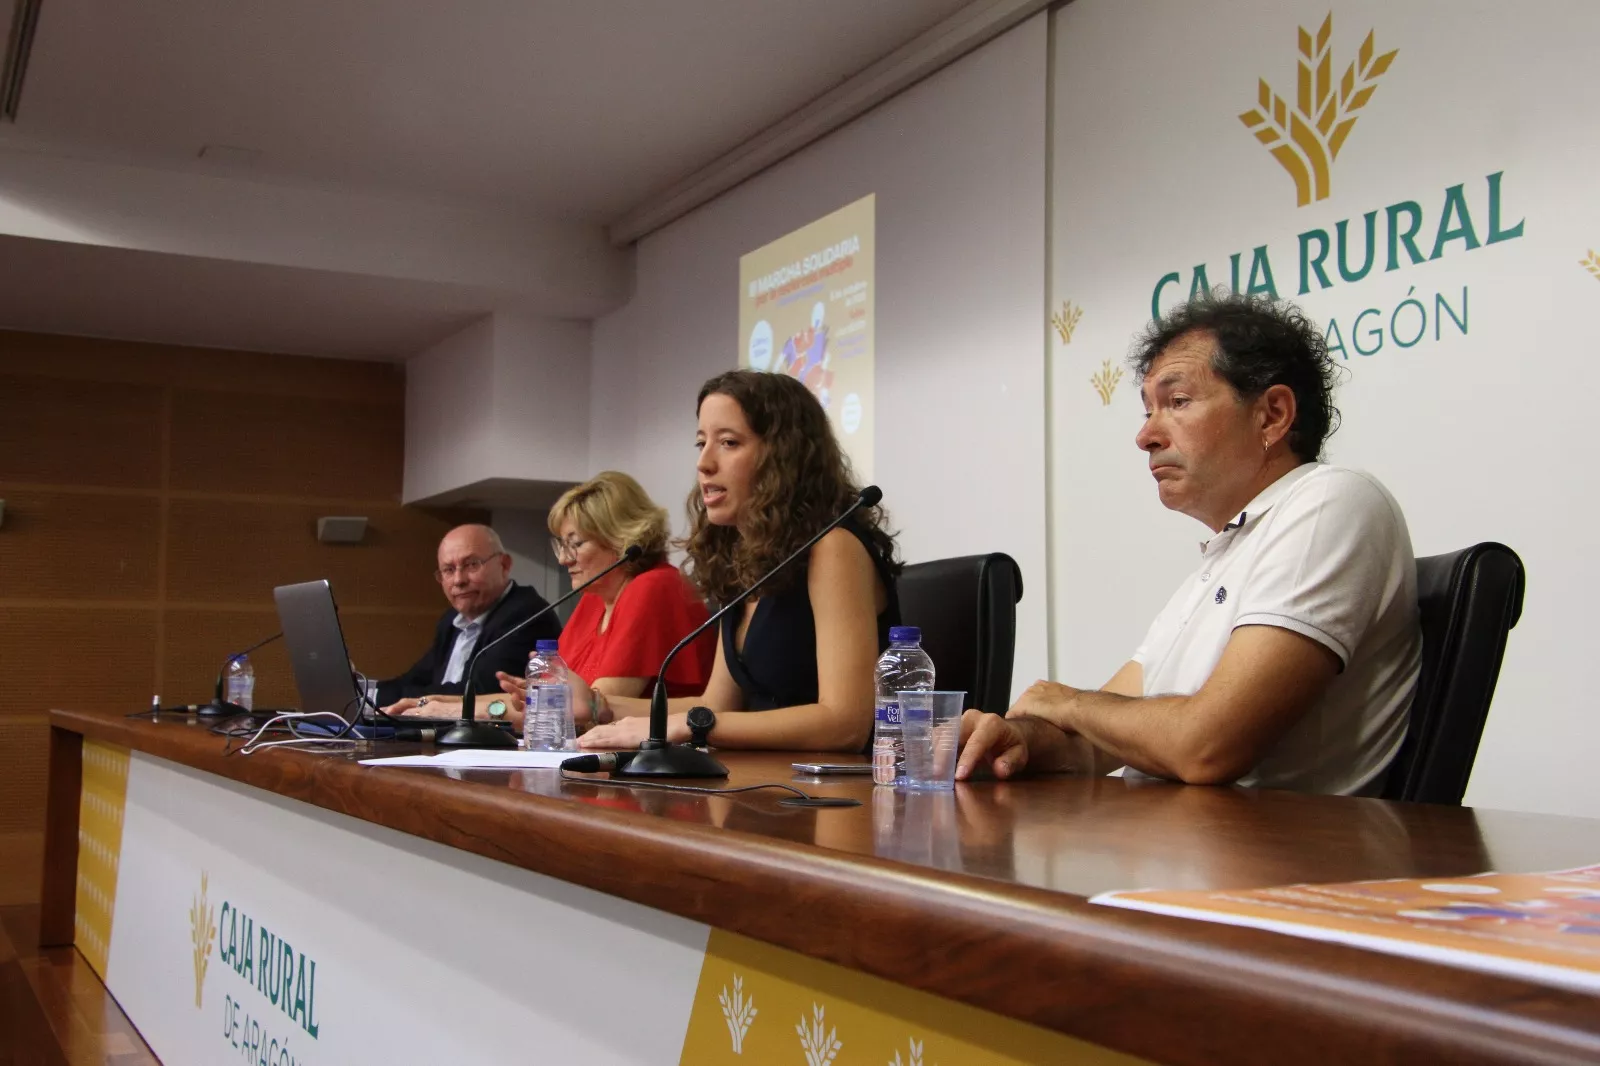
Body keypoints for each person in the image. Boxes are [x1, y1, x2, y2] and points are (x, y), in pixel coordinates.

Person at [958, 292, 1420, 796]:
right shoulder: (1228, 552)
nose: (1145, 436)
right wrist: (1016, 738)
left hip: (1282, 864)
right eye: (1147, 410)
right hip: (1183, 849)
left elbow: (1206, 745)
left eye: (1177, 403)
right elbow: (1097, 742)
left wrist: (1068, 703)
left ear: (1272, 415)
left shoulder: (1332, 501)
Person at [577, 369, 901, 752]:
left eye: (729, 443)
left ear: (783, 457)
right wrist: (594, 705)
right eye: (701, 443)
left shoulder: (833, 548)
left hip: (836, 794)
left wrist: (687, 726)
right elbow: (716, 706)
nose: (705, 463)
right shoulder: (745, 560)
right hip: (769, 784)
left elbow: (844, 723)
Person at [396, 473, 716, 729]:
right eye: (561, 545)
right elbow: (541, 698)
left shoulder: (653, 587)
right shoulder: (594, 599)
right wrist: (445, 702)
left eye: (575, 544)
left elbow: (580, 714)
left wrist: (454, 711)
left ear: (622, 538)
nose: (564, 560)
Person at [373, 524, 561, 713]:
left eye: (471, 565)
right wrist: (366, 692)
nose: (458, 580)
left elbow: (475, 692)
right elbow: (415, 680)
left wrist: (376, 699)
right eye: (448, 569)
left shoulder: (526, 615)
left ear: (504, 565)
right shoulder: (452, 620)